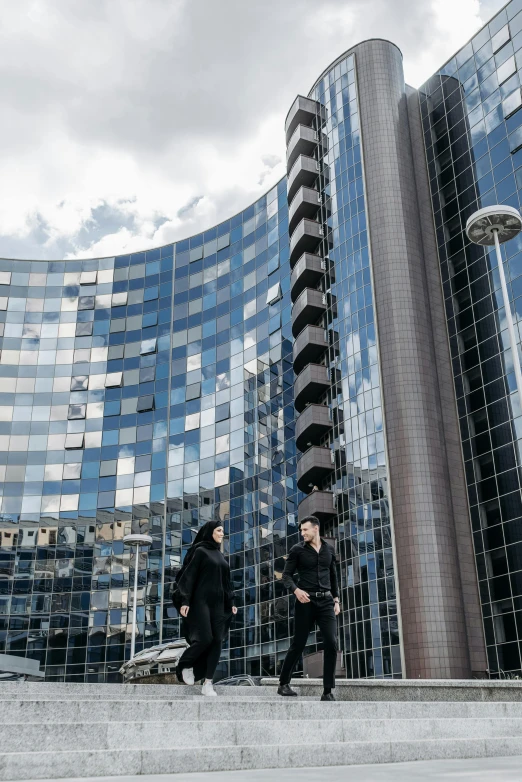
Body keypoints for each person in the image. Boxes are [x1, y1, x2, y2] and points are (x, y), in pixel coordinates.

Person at [278, 515, 340, 701]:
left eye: (305, 530)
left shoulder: (329, 550)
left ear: (316, 529)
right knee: (299, 643)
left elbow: (333, 575)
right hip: (305, 601)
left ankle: (327, 691)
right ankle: (283, 683)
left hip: (326, 602)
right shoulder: (297, 550)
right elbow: (286, 576)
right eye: (301, 530)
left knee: (331, 642)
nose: (302, 533)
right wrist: (296, 591)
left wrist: (336, 600)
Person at [174, 521, 237, 696]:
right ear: (210, 532)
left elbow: (227, 583)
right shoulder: (200, 552)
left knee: (217, 641)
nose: (222, 533)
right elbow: (189, 576)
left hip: (218, 604)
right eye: (219, 530)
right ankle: (185, 664)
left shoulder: (221, 556)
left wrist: (231, 603)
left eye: (223, 531)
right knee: (205, 639)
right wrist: (185, 601)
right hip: (200, 602)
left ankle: (208, 682)